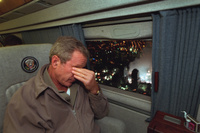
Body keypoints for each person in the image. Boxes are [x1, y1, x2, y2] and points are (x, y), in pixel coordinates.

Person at [3, 36, 109, 133]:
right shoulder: (24, 100)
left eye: (82, 68)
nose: (79, 74)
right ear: (55, 62)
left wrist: (94, 89)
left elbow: (101, 113)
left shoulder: (82, 84)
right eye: (76, 68)